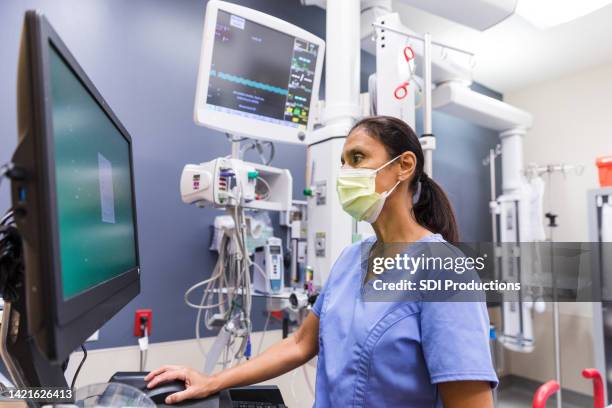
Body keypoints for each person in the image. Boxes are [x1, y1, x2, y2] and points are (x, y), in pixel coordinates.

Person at [145, 116, 497, 407]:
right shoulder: (351, 258)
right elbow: (300, 343)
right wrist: (213, 381)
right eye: (343, 163)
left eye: (357, 159)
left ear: (404, 166)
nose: (345, 174)